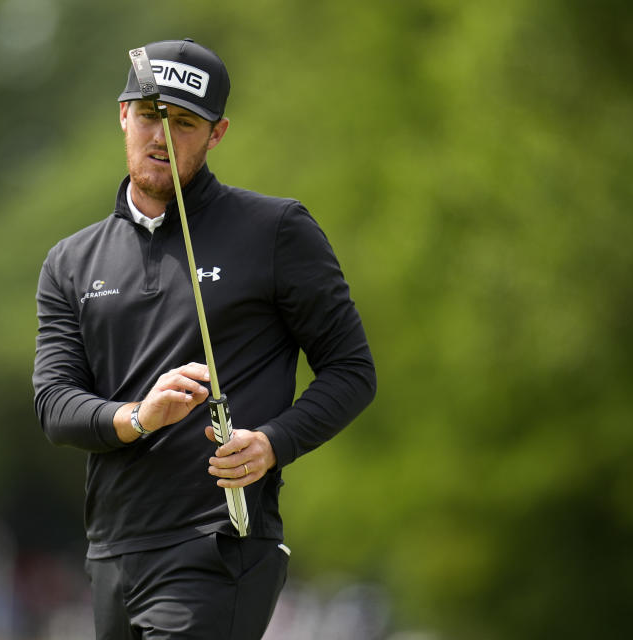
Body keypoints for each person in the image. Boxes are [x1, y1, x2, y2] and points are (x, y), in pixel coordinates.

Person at [32, 38, 376, 639]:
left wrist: (272, 443)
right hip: (112, 553)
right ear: (122, 115)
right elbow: (55, 405)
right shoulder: (70, 262)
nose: (161, 137)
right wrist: (139, 416)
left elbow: (352, 370)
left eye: (184, 123)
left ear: (216, 135)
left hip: (218, 547)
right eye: (148, 116)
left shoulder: (276, 231)